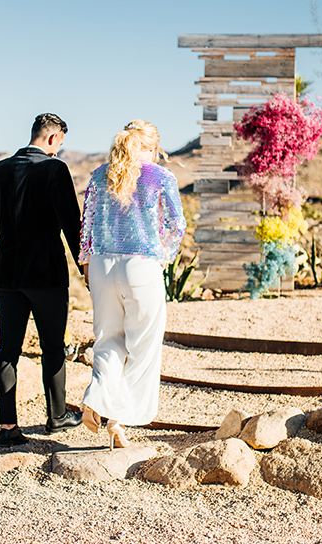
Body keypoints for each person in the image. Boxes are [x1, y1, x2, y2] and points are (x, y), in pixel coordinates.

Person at [78, 120, 186, 449]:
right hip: (140, 265)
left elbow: (87, 223)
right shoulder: (161, 176)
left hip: (101, 264)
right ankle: (119, 414)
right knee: (143, 347)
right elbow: (175, 224)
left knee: (108, 340)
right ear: (152, 147)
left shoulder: (99, 175)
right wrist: (161, 255)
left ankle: (100, 401)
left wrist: (86, 262)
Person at [0, 112, 83, 446]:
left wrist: (13, 227)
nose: (59, 151)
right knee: (52, 346)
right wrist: (85, 267)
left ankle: (7, 429)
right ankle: (56, 417)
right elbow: (71, 223)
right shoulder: (55, 169)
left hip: (7, 273)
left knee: (7, 350)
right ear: (53, 138)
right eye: (60, 145)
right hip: (46, 273)